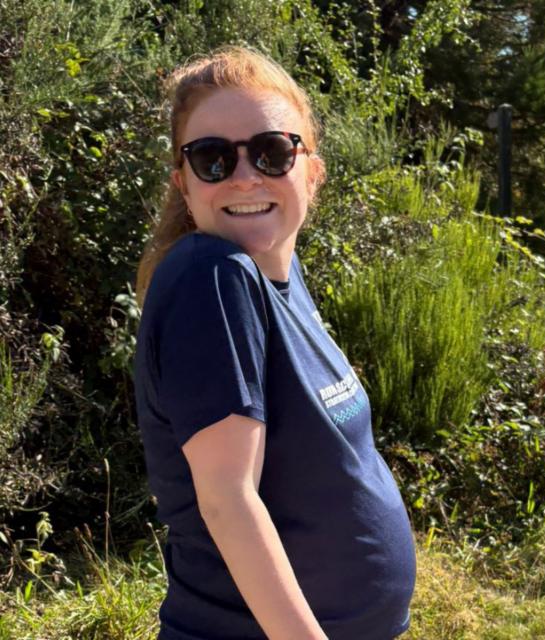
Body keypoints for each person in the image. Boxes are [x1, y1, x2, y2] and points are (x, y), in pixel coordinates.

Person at [133, 46, 417, 640]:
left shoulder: (272, 278)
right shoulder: (214, 276)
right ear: (184, 183)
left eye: (271, 152)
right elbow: (228, 502)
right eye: (212, 158)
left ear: (310, 170)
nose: (244, 175)